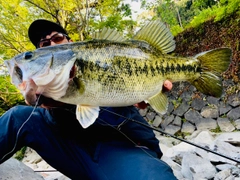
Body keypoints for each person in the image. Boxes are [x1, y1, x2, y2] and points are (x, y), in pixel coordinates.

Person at [0, 19, 176, 180]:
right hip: (72, 151)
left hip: (122, 149)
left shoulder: (100, 58)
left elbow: (128, 89)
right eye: (44, 44)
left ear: (70, 41)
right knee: (17, 116)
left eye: (57, 38)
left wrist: (144, 92)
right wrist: (49, 104)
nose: (52, 44)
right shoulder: (43, 93)